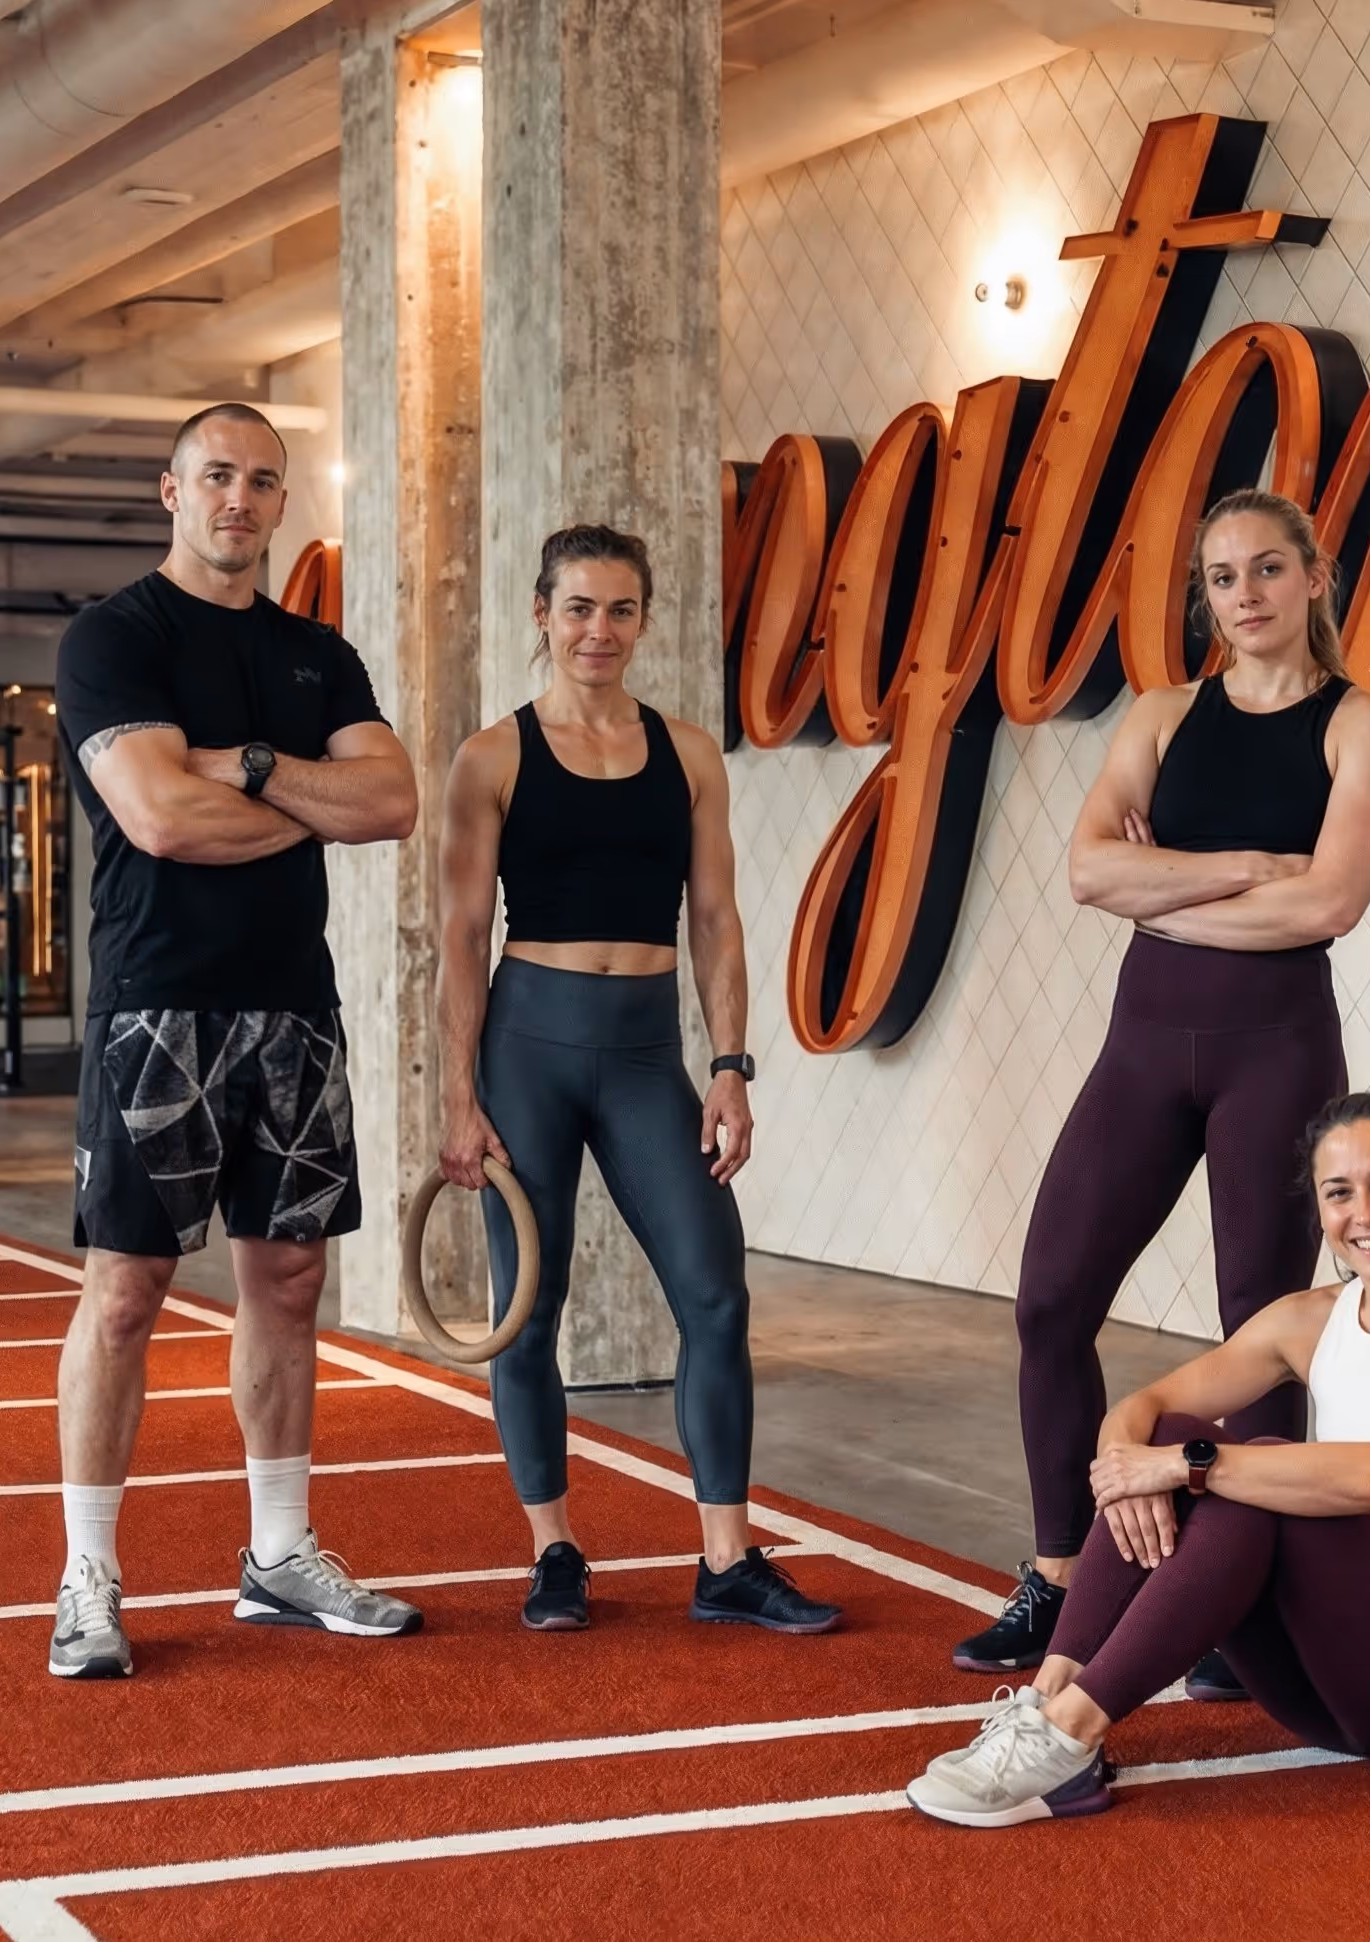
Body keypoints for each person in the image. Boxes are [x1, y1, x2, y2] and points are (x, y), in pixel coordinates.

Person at [955, 489, 1370, 1695]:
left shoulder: (1357, 723)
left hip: (1277, 1052)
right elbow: (1088, 872)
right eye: (1220, 577)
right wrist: (1248, 867)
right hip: (1141, 1050)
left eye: (1267, 569)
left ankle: (1239, 1612)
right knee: (1051, 1301)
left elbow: (1332, 901)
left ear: (1314, 577)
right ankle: (1057, 1575)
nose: (1244, 595)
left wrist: (1166, 891)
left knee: (1259, 1333)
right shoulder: (1159, 714)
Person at [46, 402, 422, 1679]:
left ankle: (277, 1554)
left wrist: (249, 767)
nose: (239, 500)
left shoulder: (316, 654)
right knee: (125, 1292)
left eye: (263, 481)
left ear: (280, 500)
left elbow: (393, 799)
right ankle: (88, 1575)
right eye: (216, 476)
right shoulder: (116, 639)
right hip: (158, 1002)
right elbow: (159, 819)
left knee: (291, 1279)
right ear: (171, 489)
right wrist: (312, 799)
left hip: (293, 1006)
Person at [910, 1092, 1370, 1825]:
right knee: (1178, 1435)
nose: (1365, 1213)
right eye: (1339, 1193)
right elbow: (1140, 1410)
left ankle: (1071, 1732)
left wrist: (1185, 1466)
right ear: (1320, 1208)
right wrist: (1134, 1466)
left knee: (1243, 1468)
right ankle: (1051, 1697)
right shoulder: (1309, 1320)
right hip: (1332, 1692)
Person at [436, 523, 840, 1636]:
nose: (598, 631)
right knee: (529, 1312)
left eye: (619, 610)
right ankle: (553, 1550)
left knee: (714, 1293)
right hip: (528, 1048)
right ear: (542, 614)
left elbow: (715, 919)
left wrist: (731, 1065)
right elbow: (460, 936)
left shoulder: (689, 754)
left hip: (646, 1054)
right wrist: (456, 1096)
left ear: (644, 620)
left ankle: (727, 1559)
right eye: (577, 608)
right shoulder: (492, 757)